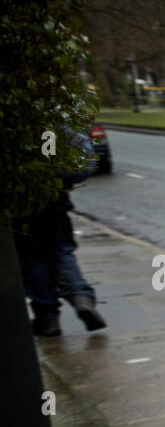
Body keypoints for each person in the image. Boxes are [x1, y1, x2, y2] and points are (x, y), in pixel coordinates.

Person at [18, 130, 107, 337]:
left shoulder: (15, 120)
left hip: (19, 203)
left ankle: (47, 318)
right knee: (61, 252)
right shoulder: (56, 123)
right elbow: (83, 165)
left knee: (30, 258)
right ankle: (81, 298)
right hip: (54, 200)